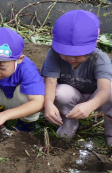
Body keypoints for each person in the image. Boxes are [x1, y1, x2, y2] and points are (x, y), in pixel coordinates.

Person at [42, 10, 112, 144]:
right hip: (72, 97)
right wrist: (48, 104)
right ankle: (70, 121)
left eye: (78, 53)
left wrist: (91, 105)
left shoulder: (100, 59)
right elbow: (50, 83)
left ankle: (110, 127)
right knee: (60, 92)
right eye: (65, 52)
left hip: (96, 98)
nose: (71, 58)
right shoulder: (54, 55)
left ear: (95, 44)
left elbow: (105, 90)